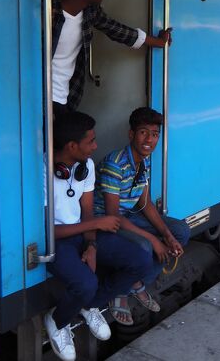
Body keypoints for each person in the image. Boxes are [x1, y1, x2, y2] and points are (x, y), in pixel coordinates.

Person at [44, 111, 153, 361]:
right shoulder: (42, 172)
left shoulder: (87, 166)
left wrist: (91, 245)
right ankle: (58, 321)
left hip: (83, 232)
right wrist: (93, 228)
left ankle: (89, 305)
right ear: (72, 146)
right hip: (56, 241)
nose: (96, 146)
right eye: (91, 141)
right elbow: (48, 230)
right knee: (86, 283)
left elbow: (87, 211)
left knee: (141, 260)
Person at [94, 107, 191, 325]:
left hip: (128, 216)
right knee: (146, 248)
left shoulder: (144, 161)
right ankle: (118, 291)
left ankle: (133, 283)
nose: (149, 139)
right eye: (143, 132)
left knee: (181, 231)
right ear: (131, 134)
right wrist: (154, 240)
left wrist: (167, 236)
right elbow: (113, 217)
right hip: (106, 222)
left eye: (155, 134)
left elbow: (145, 204)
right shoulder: (114, 164)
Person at [51, 0, 171, 117]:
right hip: (37, 98)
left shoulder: (89, 11)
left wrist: (159, 42)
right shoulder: (44, 11)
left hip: (64, 98)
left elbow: (117, 30)